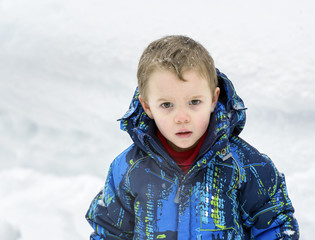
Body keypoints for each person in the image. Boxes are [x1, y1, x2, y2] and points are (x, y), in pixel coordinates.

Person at [85, 35, 299, 239]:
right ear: (148, 107)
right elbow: (109, 232)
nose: (182, 117)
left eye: (194, 102)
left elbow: (274, 226)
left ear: (213, 99)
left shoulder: (244, 165)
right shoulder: (128, 169)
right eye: (167, 105)